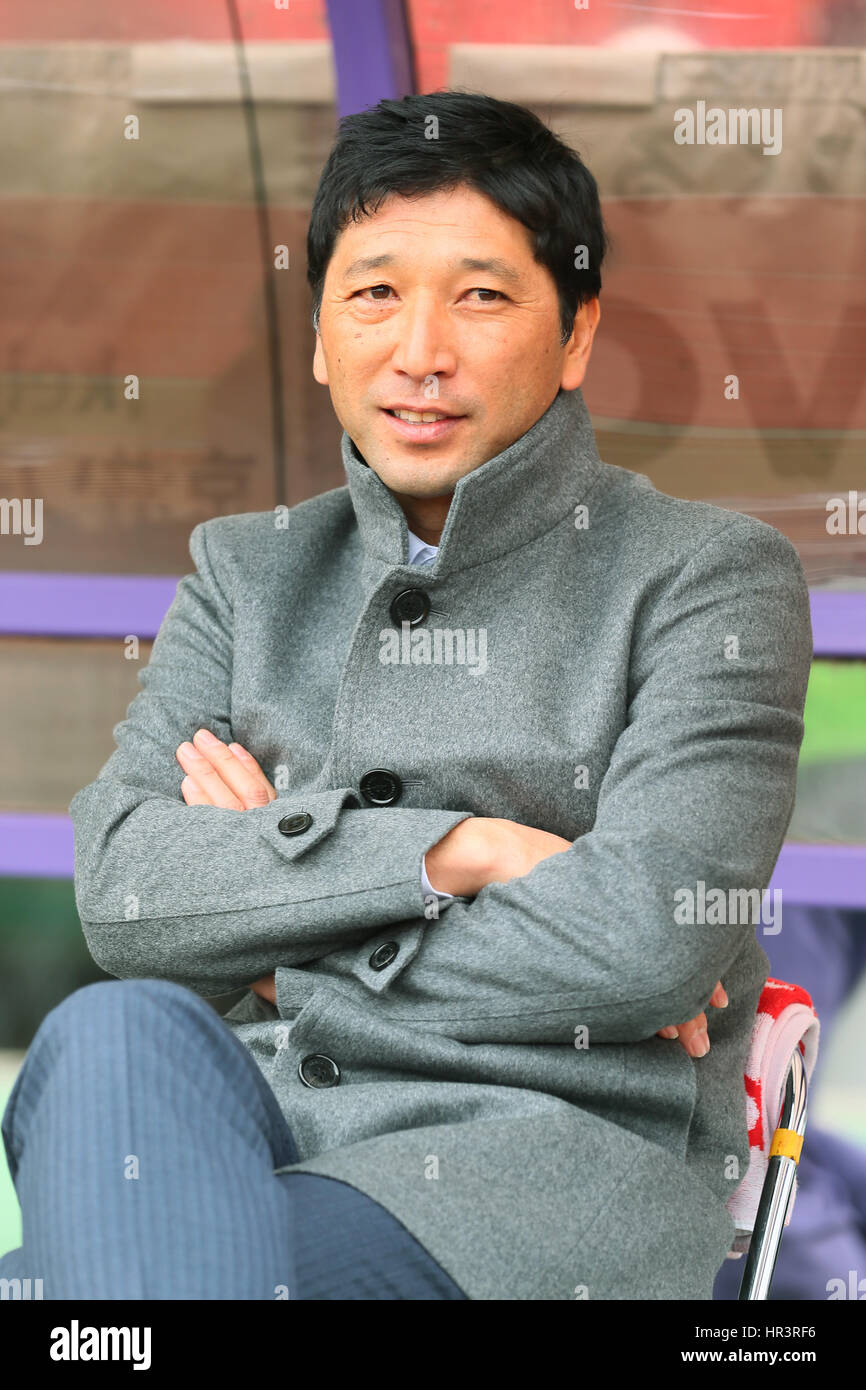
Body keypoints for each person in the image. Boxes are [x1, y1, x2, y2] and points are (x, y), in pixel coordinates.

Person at [0, 91, 812, 1300]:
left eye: (480, 297)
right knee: (105, 1035)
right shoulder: (248, 568)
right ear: (322, 334)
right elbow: (127, 893)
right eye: (373, 294)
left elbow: (641, 942)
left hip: (531, 1176)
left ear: (578, 332)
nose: (418, 351)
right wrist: (457, 851)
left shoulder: (705, 577)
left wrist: (281, 948)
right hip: (246, 1136)